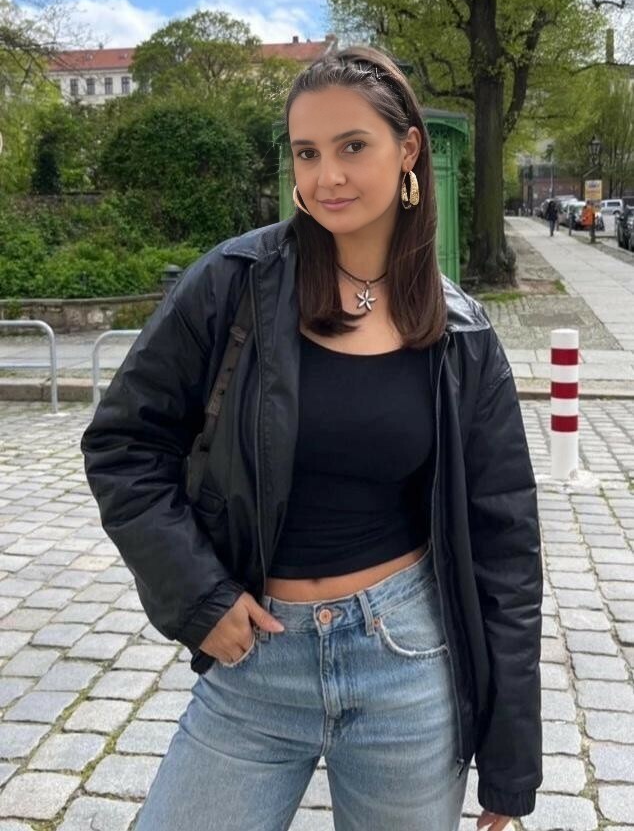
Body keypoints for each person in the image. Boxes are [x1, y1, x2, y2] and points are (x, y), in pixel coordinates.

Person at [80, 46, 543, 831]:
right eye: (306, 152)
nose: (327, 176)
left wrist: (510, 757)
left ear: (408, 149)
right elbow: (123, 444)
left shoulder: (460, 333)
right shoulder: (232, 284)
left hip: (406, 663)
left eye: (352, 146)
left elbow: (505, 542)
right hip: (256, 660)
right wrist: (198, 595)